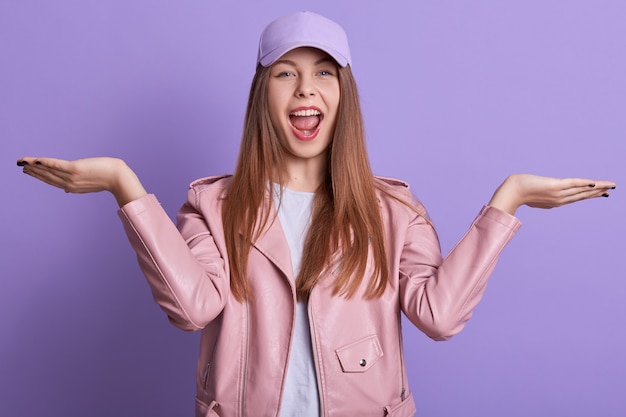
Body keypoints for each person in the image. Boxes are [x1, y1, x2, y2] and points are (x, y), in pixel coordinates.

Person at [16, 11, 615, 417]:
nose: (305, 90)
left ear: (342, 95)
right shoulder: (213, 205)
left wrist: (505, 202)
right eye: (286, 73)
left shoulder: (393, 210)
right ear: (263, 96)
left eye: (323, 72)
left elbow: (439, 315)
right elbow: (193, 310)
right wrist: (126, 187)